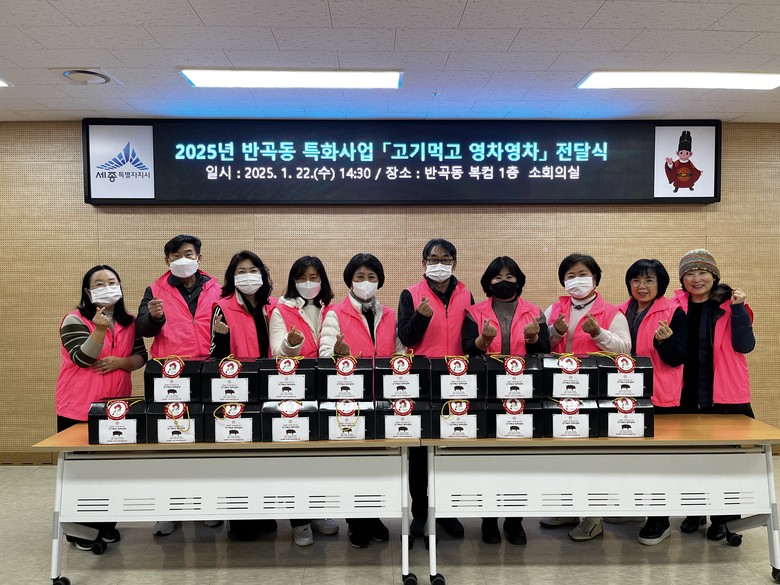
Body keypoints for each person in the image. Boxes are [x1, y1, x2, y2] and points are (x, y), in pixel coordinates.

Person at [56, 265, 148, 551]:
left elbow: (141, 356)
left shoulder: (129, 322)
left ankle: (106, 525)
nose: (107, 287)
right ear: (88, 292)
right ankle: (81, 532)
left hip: (116, 408)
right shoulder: (74, 319)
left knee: (111, 471)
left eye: (112, 282)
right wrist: (98, 330)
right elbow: (82, 358)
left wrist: (122, 363)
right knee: (82, 474)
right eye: (99, 284)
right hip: (78, 408)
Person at [540, 253, 631, 541]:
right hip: (558, 391)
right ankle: (567, 508)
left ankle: (593, 517)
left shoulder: (612, 312)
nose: (576, 280)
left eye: (582, 275)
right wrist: (554, 332)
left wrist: (599, 334)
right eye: (570, 276)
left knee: (591, 455)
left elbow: (625, 350)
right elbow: (539, 345)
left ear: (595, 279)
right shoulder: (554, 309)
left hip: (595, 394)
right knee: (560, 453)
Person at [136, 234, 222, 536]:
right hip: (170, 374)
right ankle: (169, 510)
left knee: (208, 440)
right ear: (167, 261)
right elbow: (142, 328)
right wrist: (154, 318)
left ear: (199, 258)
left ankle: (208, 506)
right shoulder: (155, 290)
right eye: (175, 256)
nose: (182, 260)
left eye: (188, 254)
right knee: (170, 443)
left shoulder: (217, 288)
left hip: (209, 370)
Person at [462, 256, 550, 545]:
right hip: (487, 393)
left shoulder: (534, 312)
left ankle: (514, 521)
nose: (504, 282)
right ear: (488, 282)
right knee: (487, 460)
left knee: (519, 461)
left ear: (519, 281)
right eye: (497, 277)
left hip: (524, 394)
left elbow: (545, 350)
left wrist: (534, 339)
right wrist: (483, 341)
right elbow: (466, 350)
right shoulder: (474, 312)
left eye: (510, 277)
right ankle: (488, 520)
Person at [319, 253, 403, 548]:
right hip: (349, 399)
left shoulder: (389, 314)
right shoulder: (335, 313)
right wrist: (337, 354)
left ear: (379, 281)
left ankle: (374, 516)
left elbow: (399, 353)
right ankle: (355, 522)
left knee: (379, 463)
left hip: (382, 399)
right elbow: (324, 355)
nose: (365, 282)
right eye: (359, 277)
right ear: (349, 281)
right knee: (353, 463)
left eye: (371, 277)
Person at [673, 249, 755, 541]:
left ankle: (724, 520)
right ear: (682, 279)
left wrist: (739, 308)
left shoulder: (731, 305)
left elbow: (745, 345)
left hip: (724, 395)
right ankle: (695, 510)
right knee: (690, 458)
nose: (696, 279)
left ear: (714, 276)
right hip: (685, 394)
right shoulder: (675, 306)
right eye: (689, 273)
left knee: (725, 461)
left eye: (702, 272)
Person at [397, 238, 474, 541]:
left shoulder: (466, 294)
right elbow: (407, 337)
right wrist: (421, 316)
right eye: (433, 259)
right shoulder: (410, 294)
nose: (439, 264)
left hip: (457, 379)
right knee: (419, 452)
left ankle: (446, 511)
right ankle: (420, 512)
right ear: (424, 263)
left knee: (450, 448)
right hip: (422, 379)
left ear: (454, 263)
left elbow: (469, 338)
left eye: (445, 259)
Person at [268, 256, 339, 546]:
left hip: (326, 389)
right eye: (301, 278)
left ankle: (318, 511)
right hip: (292, 390)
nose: (308, 283)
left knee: (321, 456)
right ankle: (299, 521)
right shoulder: (281, 310)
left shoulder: (331, 308)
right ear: (293, 281)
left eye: (313, 277)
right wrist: (291, 344)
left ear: (322, 279)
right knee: (294, 456)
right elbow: (276, 351)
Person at [619, 259, 687, 545]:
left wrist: (665, 342)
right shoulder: (620, 312)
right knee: (631, 458)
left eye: (649, 280)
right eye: (636, 280)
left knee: (659, 462)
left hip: (661, 396)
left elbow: (679, 357)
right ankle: (636, 507)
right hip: (626, 395)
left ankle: (659, 519)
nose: (641, 286)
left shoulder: (673, 312)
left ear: (660, 284)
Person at [210, 250, 276, 359]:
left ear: (261, 274)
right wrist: (220, 338)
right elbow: (214, 356)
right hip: (239, 368)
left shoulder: (274, 306)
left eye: (253, 271)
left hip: (270, 368)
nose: (248, 276)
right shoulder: (222, 308)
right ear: (233, 276)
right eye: (241, 272)